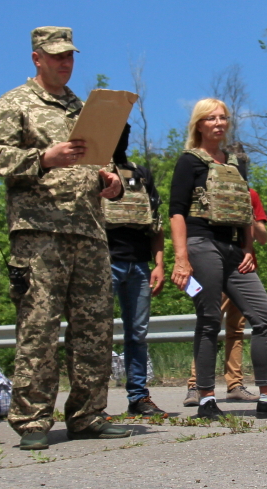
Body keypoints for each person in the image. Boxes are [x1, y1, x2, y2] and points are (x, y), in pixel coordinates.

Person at [0, 26, 129, 450]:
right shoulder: (15, 103)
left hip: (88, 230)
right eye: (56, 55)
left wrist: (112, 182)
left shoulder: (83, 108)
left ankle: (87, 415)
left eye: (70, 56)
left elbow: (103, 160)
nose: (65, 62)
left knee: (95, 329)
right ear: (36, 58)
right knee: (39, 329)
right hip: (39, 232)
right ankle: (32, 421)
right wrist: (42, 158)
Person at [168, 98, 267, 420]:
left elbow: (244, 210)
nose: (219, 123)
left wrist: (247, 248)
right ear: (199, 124)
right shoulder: (189, 161)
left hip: (233, 249)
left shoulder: (235, 161)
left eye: (223, 118)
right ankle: (204, 400)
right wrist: (181, 258)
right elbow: (176, 212)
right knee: (210, 318)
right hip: (202, 244)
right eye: (211, 118)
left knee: (265, 315)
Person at [183, 164, 265, 407]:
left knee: (236, 329)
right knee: (208, 324)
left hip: (242, 269)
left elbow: (262, 237)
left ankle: (235, 385)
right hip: (211, 265)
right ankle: (195, 386)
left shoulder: (250, 194)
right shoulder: (203, 191)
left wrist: (251, 218)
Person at [103, 124, 168, 417]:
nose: (121, 137)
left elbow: (156, 220)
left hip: (139, 264)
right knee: (97, 334)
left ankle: (139, 397)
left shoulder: (138, 174)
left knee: (138, 334)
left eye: (125, 131)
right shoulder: (91, 172)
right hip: (104, 261)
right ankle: (92, 404)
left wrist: (159, 264)